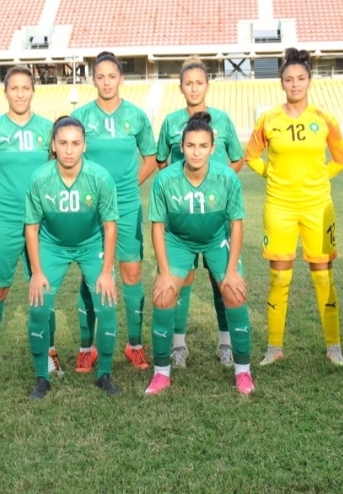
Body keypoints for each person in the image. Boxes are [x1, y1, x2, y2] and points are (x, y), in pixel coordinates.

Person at [245, 47, 343, 366]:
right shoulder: (269, 119)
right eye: (289, 79)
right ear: (282, 83)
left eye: (300, 78)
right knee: (279, 278)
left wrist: (318, 177)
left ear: (309, 81)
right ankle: (274, 347)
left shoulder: (324, 119)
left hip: (318, 207)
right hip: (279, 207)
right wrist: (271, 174)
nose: (295, 84)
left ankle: (334, 347)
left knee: (323, 277)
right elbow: (251, 156)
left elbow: (341, 159)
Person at [146, 112, 254, 396]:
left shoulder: (226, 178)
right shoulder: (165, 180)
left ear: (212, 148)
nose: (196, 151)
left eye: (203, 146)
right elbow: (157, 227)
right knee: (163, 296)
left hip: (217, 238)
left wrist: (232, 271)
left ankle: (243, 372)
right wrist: (164, 273)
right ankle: (161, 374)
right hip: (178, 241)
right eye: (191, 145)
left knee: (235, 294)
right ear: (181, 147)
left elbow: (236, 224)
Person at [155, 57, 245, 368]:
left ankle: (226, 343)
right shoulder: (170, 122)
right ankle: (179, 346)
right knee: (183, 279)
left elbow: (237, 159)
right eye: (188, 83)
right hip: (183, 218)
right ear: (180, 87)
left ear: (207, 85)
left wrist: (218, 187)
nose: (194, 88)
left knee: (222, 281)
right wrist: (180, 193)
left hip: (216, 217)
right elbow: (162, 162)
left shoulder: (223, 120)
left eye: (199, 83)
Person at [71, 51, 157, 371]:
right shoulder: (80, 116)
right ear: (93, 80)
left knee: (132, 273)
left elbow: (151, 159)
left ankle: (134, 345)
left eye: (112, 76)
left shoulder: (136, 116)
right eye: (100, 76)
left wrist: (127, 187)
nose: (106, 82)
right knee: (91, 276)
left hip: (127, 207)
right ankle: (87, 347)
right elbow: (69, 159)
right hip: (90, 209)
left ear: (121, 78)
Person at [23, 117, 121, 397]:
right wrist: (37, 272)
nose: (69, 150)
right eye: (63, 143)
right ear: (53, 145)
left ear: (84, 145)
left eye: (75, 143)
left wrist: (106, 271)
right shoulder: (40, 178)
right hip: (52, 245)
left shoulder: (100, 177)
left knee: (107, 304)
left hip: (91, 244)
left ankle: (104, 374)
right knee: (39, 306)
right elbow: (31, 228)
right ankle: (41, 377)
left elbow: (110, 226)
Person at [0, 66, 57, 384]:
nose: (20, 93)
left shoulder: (48, 129)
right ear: (5, 91)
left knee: (43, 287)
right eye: (14, 88)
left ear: (33, 91)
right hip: (4, 222)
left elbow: (57, 171)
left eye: (26, 87)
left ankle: (49, 353)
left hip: (41, 222)